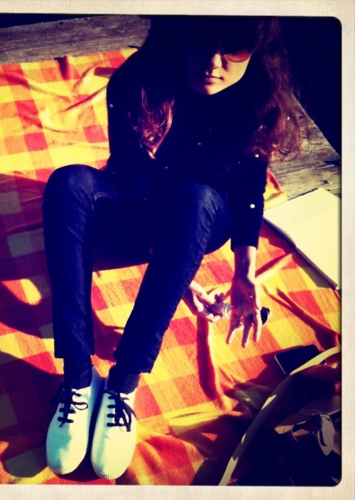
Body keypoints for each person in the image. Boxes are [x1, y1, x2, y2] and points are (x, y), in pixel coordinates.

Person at [42, 16, 302, 479]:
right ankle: (78, 380)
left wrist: (244, 270)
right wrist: (172, 271)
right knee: (68, 185)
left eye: (235, 44)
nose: (214, 61)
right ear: (177, 30)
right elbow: (130, 177)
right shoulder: (136, 81)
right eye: (201, 38)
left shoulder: (258, 95)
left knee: (197, 198)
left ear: (259, 44)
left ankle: (123, 384)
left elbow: (249, 187)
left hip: (203, 215)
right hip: (139, 203)